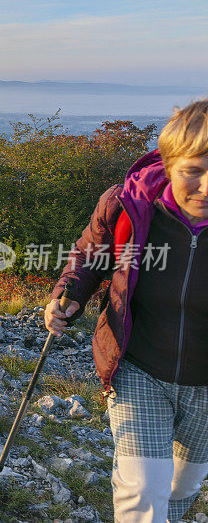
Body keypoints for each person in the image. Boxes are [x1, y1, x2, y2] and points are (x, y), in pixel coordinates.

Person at [45, 99, 208, 522]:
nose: (206, 186)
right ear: (170, 164)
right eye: (195, 170)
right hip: (138, 366)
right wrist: (68, 294)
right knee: (142, 490)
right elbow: (88, 255)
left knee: (182, 486)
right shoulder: (130, 207)